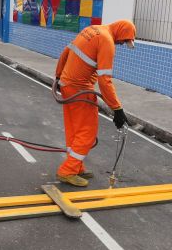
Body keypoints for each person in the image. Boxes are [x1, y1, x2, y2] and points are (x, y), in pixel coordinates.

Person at [54, 20, 137, 187]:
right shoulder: (107, 42)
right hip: (80, 89)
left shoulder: (92, 29)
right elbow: (105, 81)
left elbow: (67, 50)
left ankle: (76, 166)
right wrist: (117, 109)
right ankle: (68, 171)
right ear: (120, 33)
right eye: (123, 41)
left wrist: (58, 76)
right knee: (87, 132)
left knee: (74, 129)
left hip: (67, 85)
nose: (121, 44)